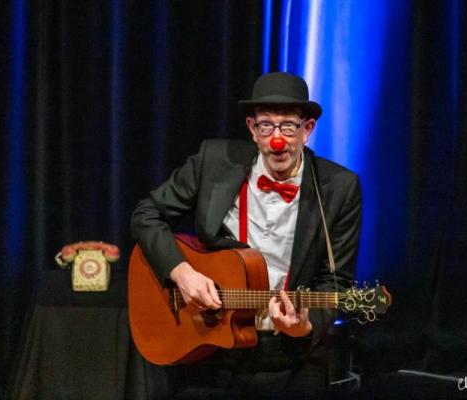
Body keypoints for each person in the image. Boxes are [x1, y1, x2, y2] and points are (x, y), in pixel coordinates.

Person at [131, 72, 362, 399]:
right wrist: (181, 273)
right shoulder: (213, 162)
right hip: (211, 349)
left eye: (288, 126)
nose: (277, 139)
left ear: (307, 129)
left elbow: (336, 282)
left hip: (291, 357)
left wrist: (305, 327)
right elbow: (146, 215)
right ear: (253, 129)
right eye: (266, 125)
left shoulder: (339, 188)